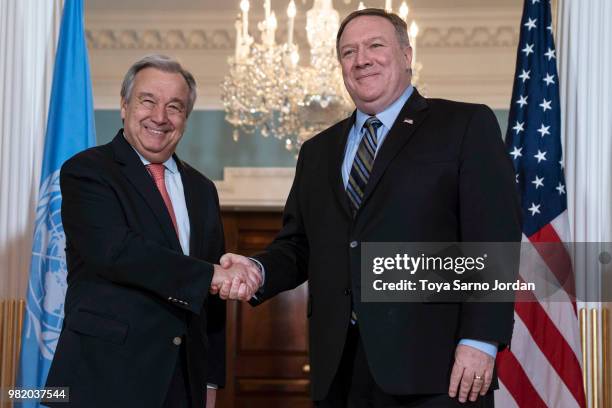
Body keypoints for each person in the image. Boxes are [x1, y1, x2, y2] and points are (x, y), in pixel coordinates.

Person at [219, 8, 522, 408]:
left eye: (375, 45)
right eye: (348, 52)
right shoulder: (317, 151)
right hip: (340, 372)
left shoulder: (465, 125)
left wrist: (480, 338)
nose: (361, 59)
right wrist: (257, 270)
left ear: (407, 54)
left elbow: (493, 237)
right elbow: (299, 247)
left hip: (439, 368)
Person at [44, 54, 261, 408]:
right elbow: (116, 252)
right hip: (103, 379)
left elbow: (211, 304)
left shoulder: (202, 188)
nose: (160, 117)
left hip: (182, 384)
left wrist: (210, 380)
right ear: (124, 106)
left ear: (185, 119)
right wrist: (213, 274)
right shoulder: (87, 171)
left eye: (174, 107)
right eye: (148, 101)